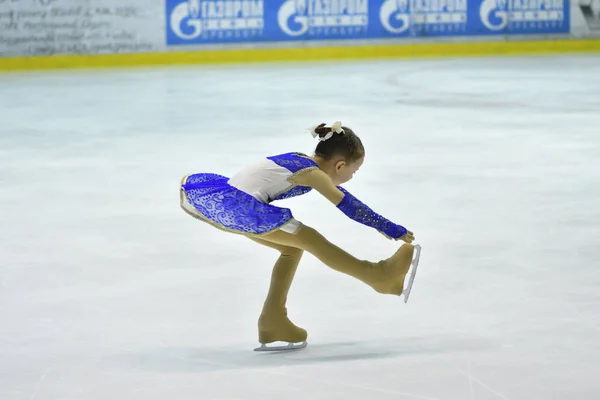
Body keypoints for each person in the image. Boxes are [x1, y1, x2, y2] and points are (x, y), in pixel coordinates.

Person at [180, 121, 417, 349]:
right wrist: (388, 226)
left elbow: (344, 196)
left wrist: (381, 225)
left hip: (226, 203)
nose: (352, 176)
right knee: (309, 238)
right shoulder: (312, 174)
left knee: (291, 249)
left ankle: (273, 321)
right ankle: (378, 276)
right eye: (354, 171)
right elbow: (347, 205)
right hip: (243, 208)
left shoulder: (304, 162)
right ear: (340, 165)